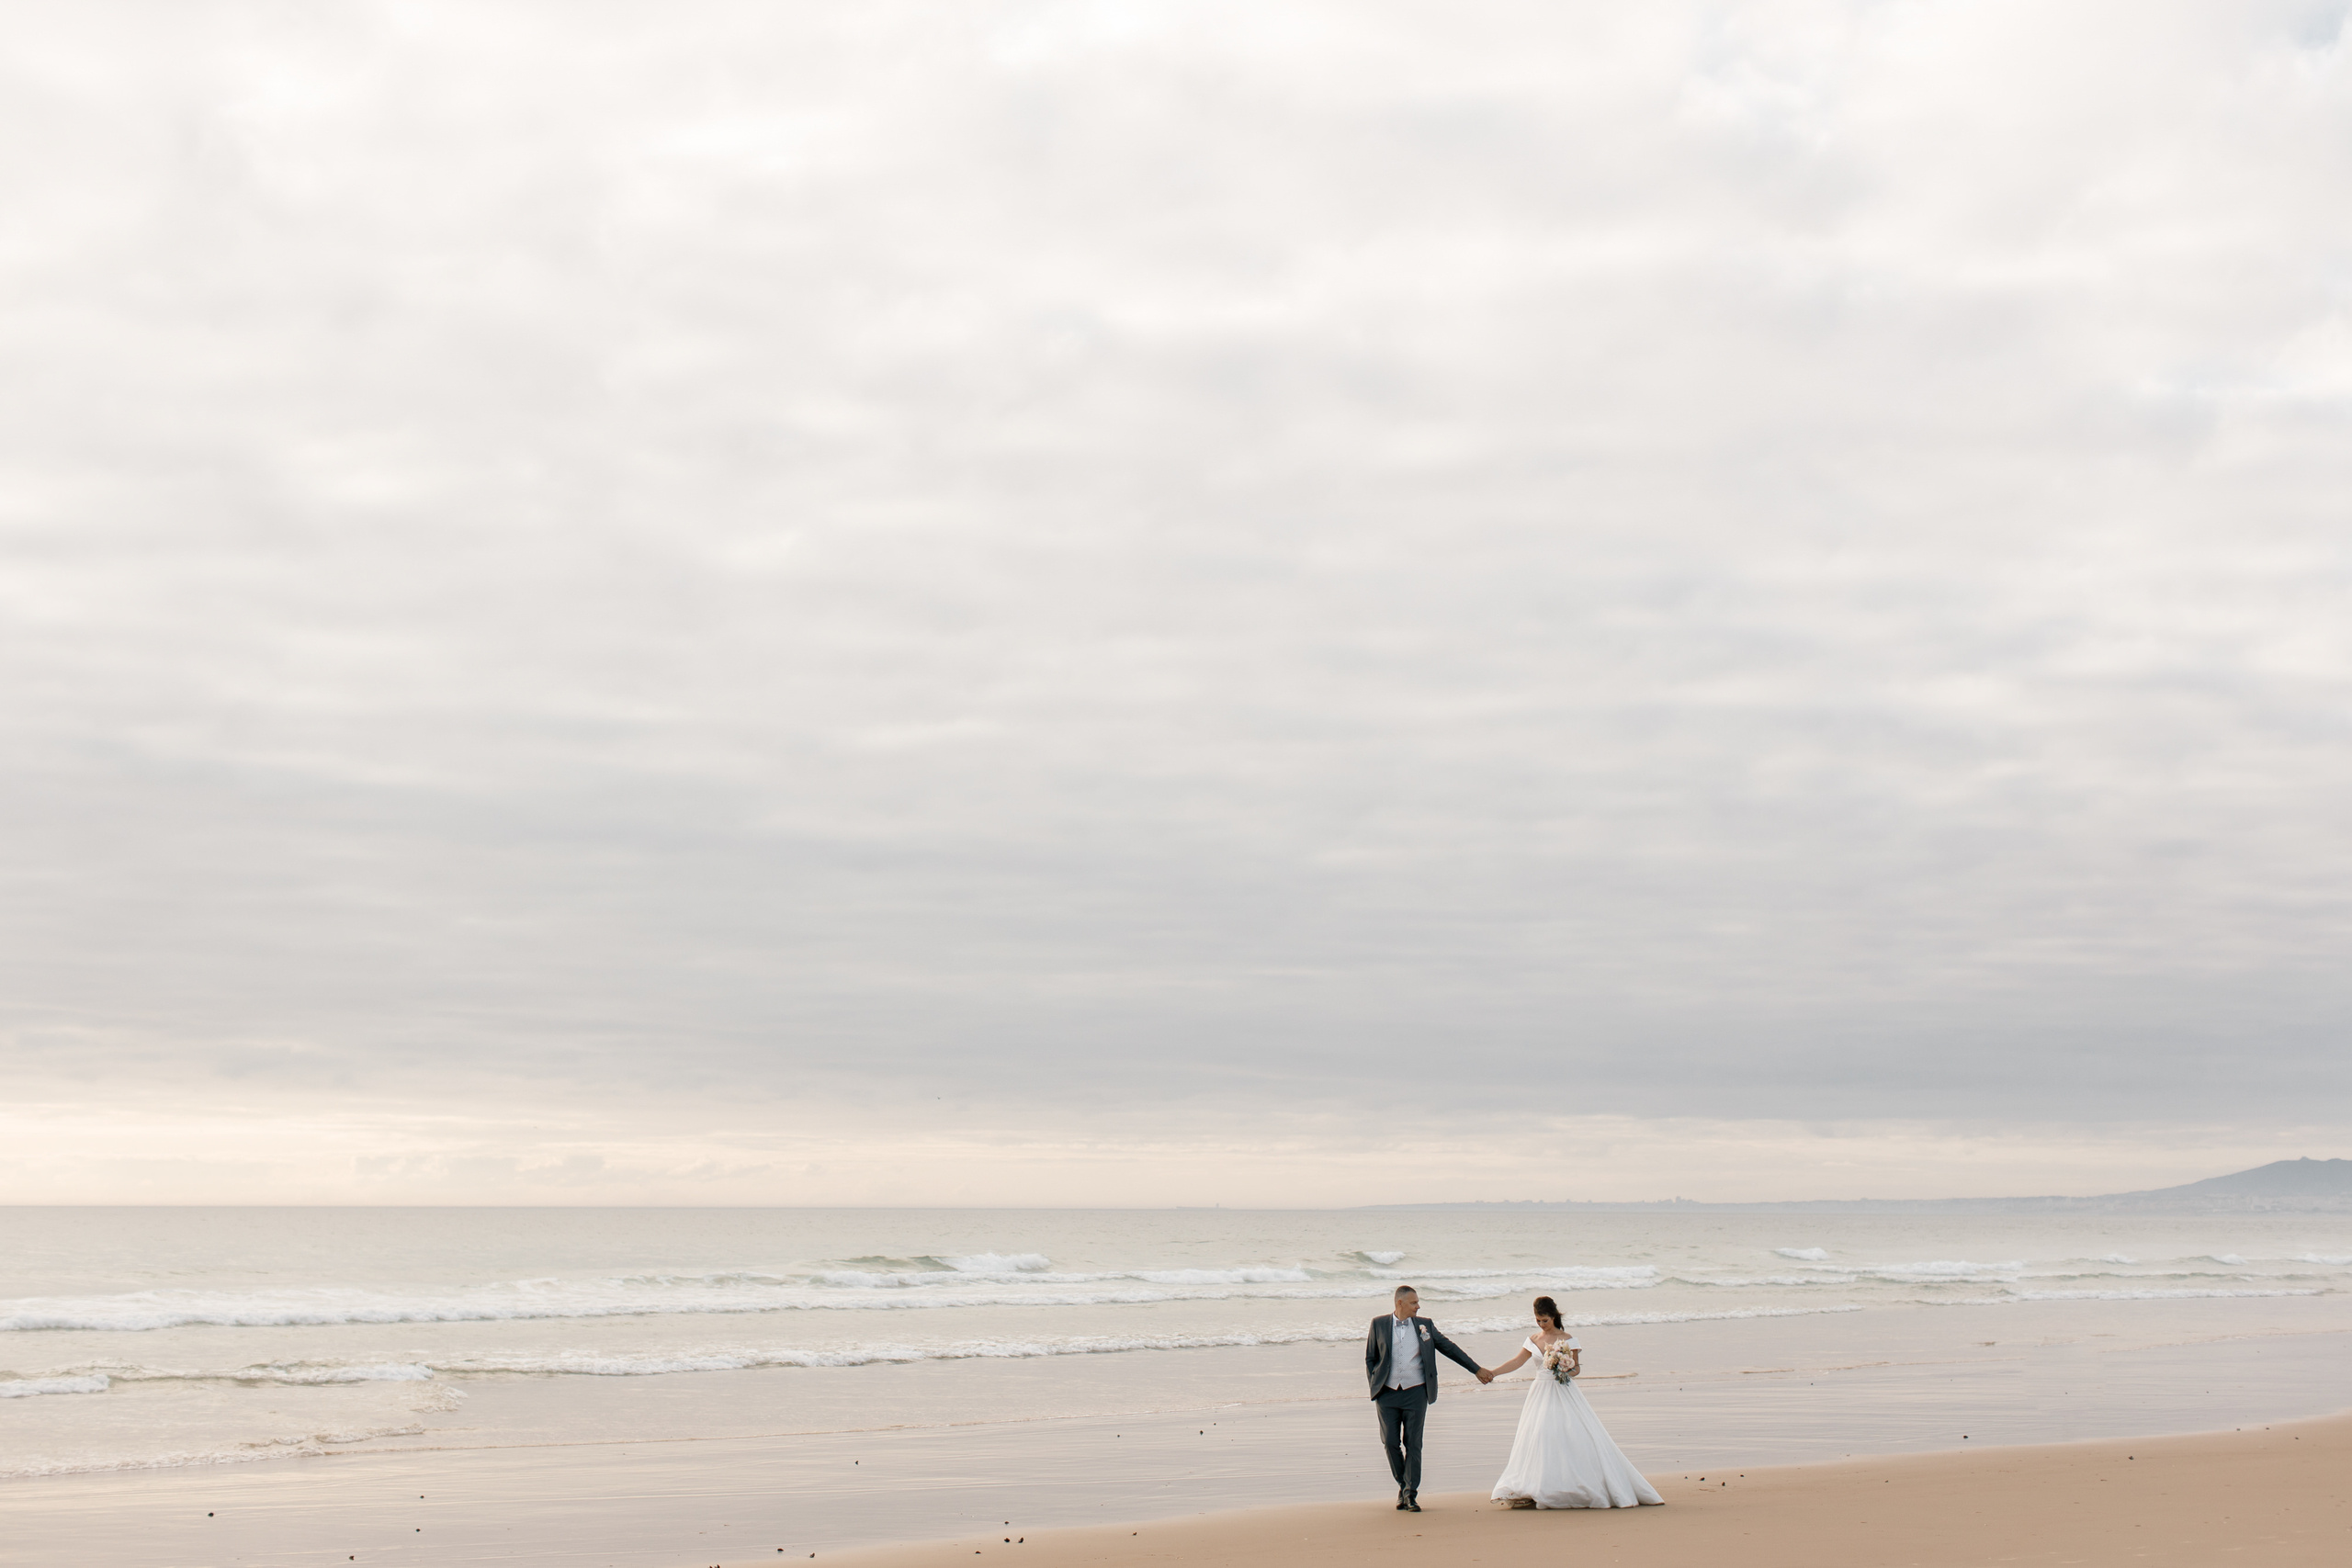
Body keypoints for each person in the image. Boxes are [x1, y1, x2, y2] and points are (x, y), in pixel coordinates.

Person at [1487, 1295, 1663, 1508]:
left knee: (1568, 1433)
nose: (1541, 1324)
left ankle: (1570, 1486)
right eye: (1538, 1320)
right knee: (1538, 1435)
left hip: (1563, 1390)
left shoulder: (1568, 1339)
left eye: (1545, 1320)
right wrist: (1493, 1373)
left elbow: (1577, 1369)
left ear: (1553, 1316)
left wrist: (1565, 1367)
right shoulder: (1533, 1339)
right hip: (1540, 1392)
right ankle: (1536, 1485)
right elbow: (1516, 1361)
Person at [1364, 1284, 1491, 1512]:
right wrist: (1375, 1385)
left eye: (1418, 1302)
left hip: (1416, 1392)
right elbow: (1370, 1358)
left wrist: (1476, 1369)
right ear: (1399, 1303)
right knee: (1391, 1443)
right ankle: (1403, 1485)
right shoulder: (1379, 1324)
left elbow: (1450, 1349)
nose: (1418, 1306)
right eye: (1413, 1302)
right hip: (1387, 1394)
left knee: (1414, 1444)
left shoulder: (1425, 1325)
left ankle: (1410, 1494)